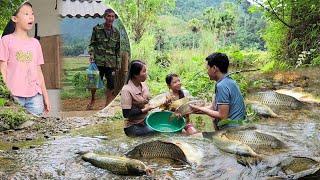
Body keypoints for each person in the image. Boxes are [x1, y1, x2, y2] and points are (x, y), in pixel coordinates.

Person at [0, 1, 50, 116]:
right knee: (15, 130)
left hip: (35, 97)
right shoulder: (6, 41)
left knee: (35, 130)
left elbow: (39, 71)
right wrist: (6, 95)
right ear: (14, 18)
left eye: (32, 14)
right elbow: (2, 70)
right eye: (26, 14)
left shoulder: (35, 43)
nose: (31, 16)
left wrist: (45, 95)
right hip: (14, 96)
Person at [190, 52, 246, 130]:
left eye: (207, 68)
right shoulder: (228, 81)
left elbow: (223, 116)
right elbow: (213, 107)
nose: (207, 71)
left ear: (214, 68)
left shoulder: (222, 85)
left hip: (232, 131)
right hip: (237, 127)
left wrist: (201, 109)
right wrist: (196, 109)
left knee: (193, 137)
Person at [87, 8, 120, 110]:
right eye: (108, 16)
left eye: (112, 16)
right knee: (94, 84)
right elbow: (92, 44)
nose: (110, 18)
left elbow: (117, 49)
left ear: (114, 18)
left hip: (111, 63)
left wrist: (117, 65)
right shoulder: (97, 29)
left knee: (111, 85)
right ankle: (93, 99)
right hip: (98, 62)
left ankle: (107, 105)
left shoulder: (116, 32)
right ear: (104, 17)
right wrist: (91, 55)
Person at [120, 60, 155, 136]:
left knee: (161, 126)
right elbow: (126, 114)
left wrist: (162, 101)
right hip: (133, 126)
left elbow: (147, 100)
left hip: (145, 120)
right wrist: (144, 109)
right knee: (155, 131)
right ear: (136, 75)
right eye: (144, 71)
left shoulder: (143, 84)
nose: (146, 73)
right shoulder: (126, 90)